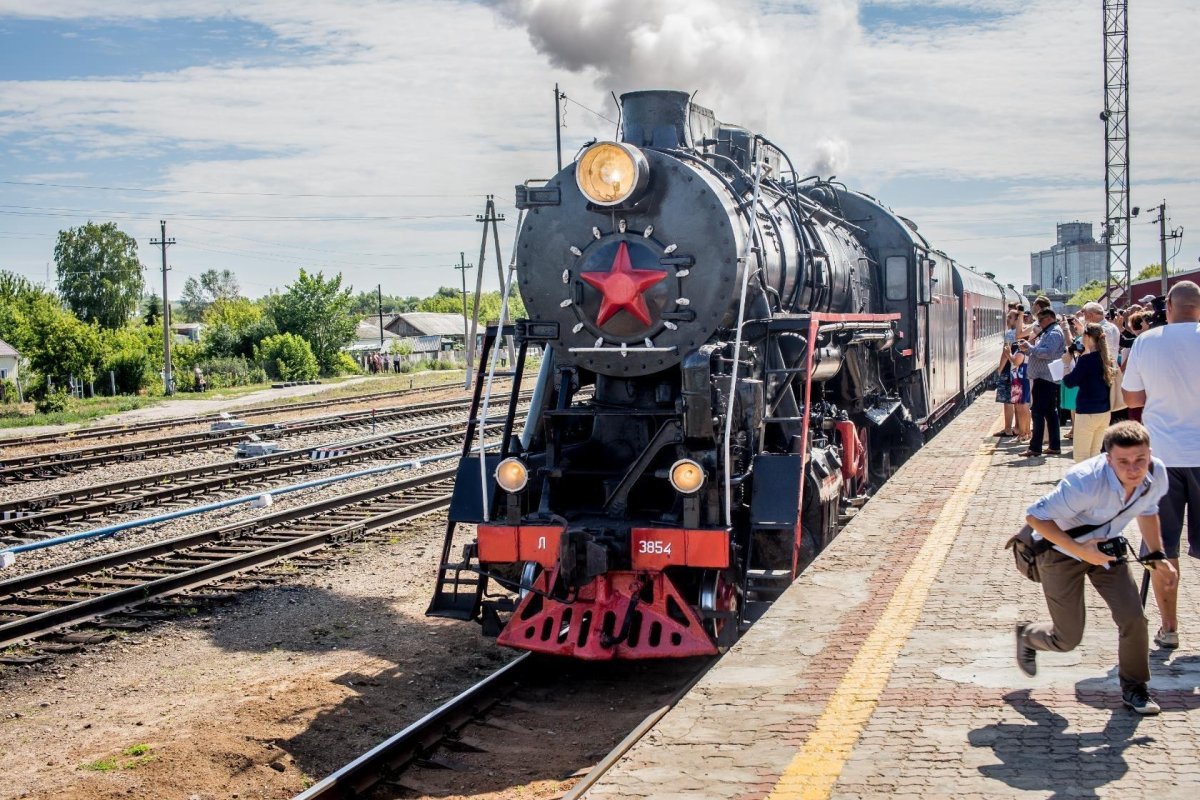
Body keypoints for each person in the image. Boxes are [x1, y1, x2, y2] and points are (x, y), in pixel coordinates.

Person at [1016, 421, 1177, 714]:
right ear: (1108, 458)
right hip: (1060, 552)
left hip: (1105, 551)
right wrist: (1081, 551)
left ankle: (1134, 688)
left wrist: (1156, 556)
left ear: (1150, 454)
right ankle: (1027, 635)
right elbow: (1035, 518)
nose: (1133, 469)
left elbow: (1148, 511)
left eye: (1140, 460)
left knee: (1134, 619)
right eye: (1123, 462)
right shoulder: (1085, 481)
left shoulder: (1156, 473)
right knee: (1067, 639)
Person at [1122, 280, 1200, 649]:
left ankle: (1169, 628)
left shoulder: (1147, 341)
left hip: (1163, 458)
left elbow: (1132, 396)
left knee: (1162, 547)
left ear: (1168, 306)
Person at [1018, 308, 1066, 457]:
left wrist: (1030, 348)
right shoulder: (1050, 331)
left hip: (1045, 378)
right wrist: (1028, 350)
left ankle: (1035, 448)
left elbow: (1048, 353)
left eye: (1040, 320)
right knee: (1050, 413)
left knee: (1038, 412)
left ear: (1048, 319)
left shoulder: (1053, 333)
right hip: (1045, 377)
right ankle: (1054, 446)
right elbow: (1040, 351)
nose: (1039, 323)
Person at [1062, 323, 1113, 462]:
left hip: (1087, 413)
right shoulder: (1107, 359)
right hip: (1104, 412)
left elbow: (1069, 382)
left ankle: (1084, 484)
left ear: (1088, 337)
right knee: (1095, 454)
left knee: (1081, 456)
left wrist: (1066, 364)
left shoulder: (1086, 360)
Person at [995, 310, 1021, 437]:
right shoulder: (1024, 333)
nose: (1007, 320)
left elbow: (1005, 354)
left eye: (1010, 317)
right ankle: (1017, 427)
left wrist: (1000, 369)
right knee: (1017, 400)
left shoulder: (1010, 334)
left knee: (1008, 401)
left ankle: (1007, 429)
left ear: (1017, 320)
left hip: (1008, 371)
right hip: (1019, 371)